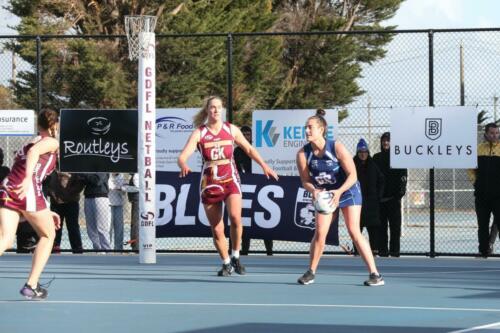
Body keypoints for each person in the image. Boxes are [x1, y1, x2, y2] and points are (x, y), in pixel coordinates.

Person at [178, 96, 278, 276]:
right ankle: (225, 262)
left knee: (235, 217)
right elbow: (182, 155)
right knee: (217, 228)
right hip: (210, 182)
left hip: (230, 179)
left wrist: (264, 165)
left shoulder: (231, 129)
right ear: (207, 110)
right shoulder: (199, 133)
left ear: (222, 110)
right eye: (212, 108)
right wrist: (183, 164)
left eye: (218, 107)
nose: (216, 111)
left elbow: (248, 149)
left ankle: (236, 256)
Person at [296, 109, 383, 286]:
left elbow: (353, 175)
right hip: (326, 194)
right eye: (305, 127)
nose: (306, 131)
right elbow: (305, 181)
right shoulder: (303, 154)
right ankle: (311, 271)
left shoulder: (336, 147)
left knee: (354, 231)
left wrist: (338, 191)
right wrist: (314, 191)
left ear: (321, 130)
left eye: (310, 127)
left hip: (348, 191)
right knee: (320, 233)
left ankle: (375, 274)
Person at [0, 108, 61, 300]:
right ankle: (31, 285)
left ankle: (31, 285)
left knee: (6, 238)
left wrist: (46, 210)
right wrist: (27, 180)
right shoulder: (50, 141)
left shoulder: (29, 142)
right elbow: (35, 157)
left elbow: (28, 157)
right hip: (26, 189)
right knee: (48, 234)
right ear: (54, 125)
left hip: (9, 187)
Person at [233, 125, 274, 256]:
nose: (245, 137)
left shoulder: (258, 149)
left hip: (261, 187)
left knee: (264, 219)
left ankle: (269, 251)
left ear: (252, 136)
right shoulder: (236, 151)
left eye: (248, 135)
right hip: (244, 189)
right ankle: (243, 251)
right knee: (244, 220)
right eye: (243, 135)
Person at [467, 122, 500, 258]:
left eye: (497, 133)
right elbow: (470, 169)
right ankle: (483, 251)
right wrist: (476, 183)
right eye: (492, 133)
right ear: (486, 134)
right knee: (482, 224)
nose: (495, 135)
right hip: (481, 195)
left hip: (499, 195)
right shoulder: (478, 149)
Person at [373, 132, 407, 257]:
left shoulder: (398, 158)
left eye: (388, 140)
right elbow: (373, 177)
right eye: (384, 140)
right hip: (380, 200)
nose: (386, 142)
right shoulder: (376, 158)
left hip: (393, 199)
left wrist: (399, 194)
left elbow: (403, 176)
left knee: (395, 227)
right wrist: (377, 195)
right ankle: (383, 251)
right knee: (381, 227)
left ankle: (394, 251)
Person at [353, 138, 385, 255]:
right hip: (357, 202)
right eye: (361, 152)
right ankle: (357, 251)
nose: (363, 154)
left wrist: (378, 196)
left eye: (365, 152)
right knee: (357, 228)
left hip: (372, 202)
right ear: (357, 153)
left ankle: (374, 250)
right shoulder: (352, 164)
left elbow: (381, 180)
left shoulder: (373, 164)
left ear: (368, 152)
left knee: (373, 229)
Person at [46, 170, 84, 253]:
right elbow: (47, 185)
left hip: (71, 202)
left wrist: (67, 195)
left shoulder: (73, 167)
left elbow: (80, 184)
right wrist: (54, 194)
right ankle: (55, 248)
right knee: (56, 226)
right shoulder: (51, 167)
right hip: (56, 202)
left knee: (73, 227)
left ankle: (77, 249)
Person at [80, 173, 111, 250]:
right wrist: (87, 176)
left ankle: (107, 250)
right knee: (90, 227)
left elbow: (97, 181)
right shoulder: (89, 168)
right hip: (88, 196)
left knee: (102, 227)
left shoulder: (103, 165)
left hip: (101, 196)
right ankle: (98, 249)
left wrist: (85, 175)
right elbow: (80, 179)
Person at [108, 173, 126, 251]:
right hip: (108, 204)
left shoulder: (121, 176)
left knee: (119, 228)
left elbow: (124, 191)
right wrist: (118, 188)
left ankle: (118, 249)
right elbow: (108, 188)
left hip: (119, 204)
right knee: (108, 227)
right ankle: (107, 248)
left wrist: (120, 189)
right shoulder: (107, 175)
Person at [125, 173, 139, 251]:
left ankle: (136, 246)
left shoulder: (136, 175)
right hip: (136, 201)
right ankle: (135, 245)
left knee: (135, 225)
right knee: (134, 224)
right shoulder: (135, 175)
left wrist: (124, 188)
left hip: (137, 201)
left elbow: (137, 188)